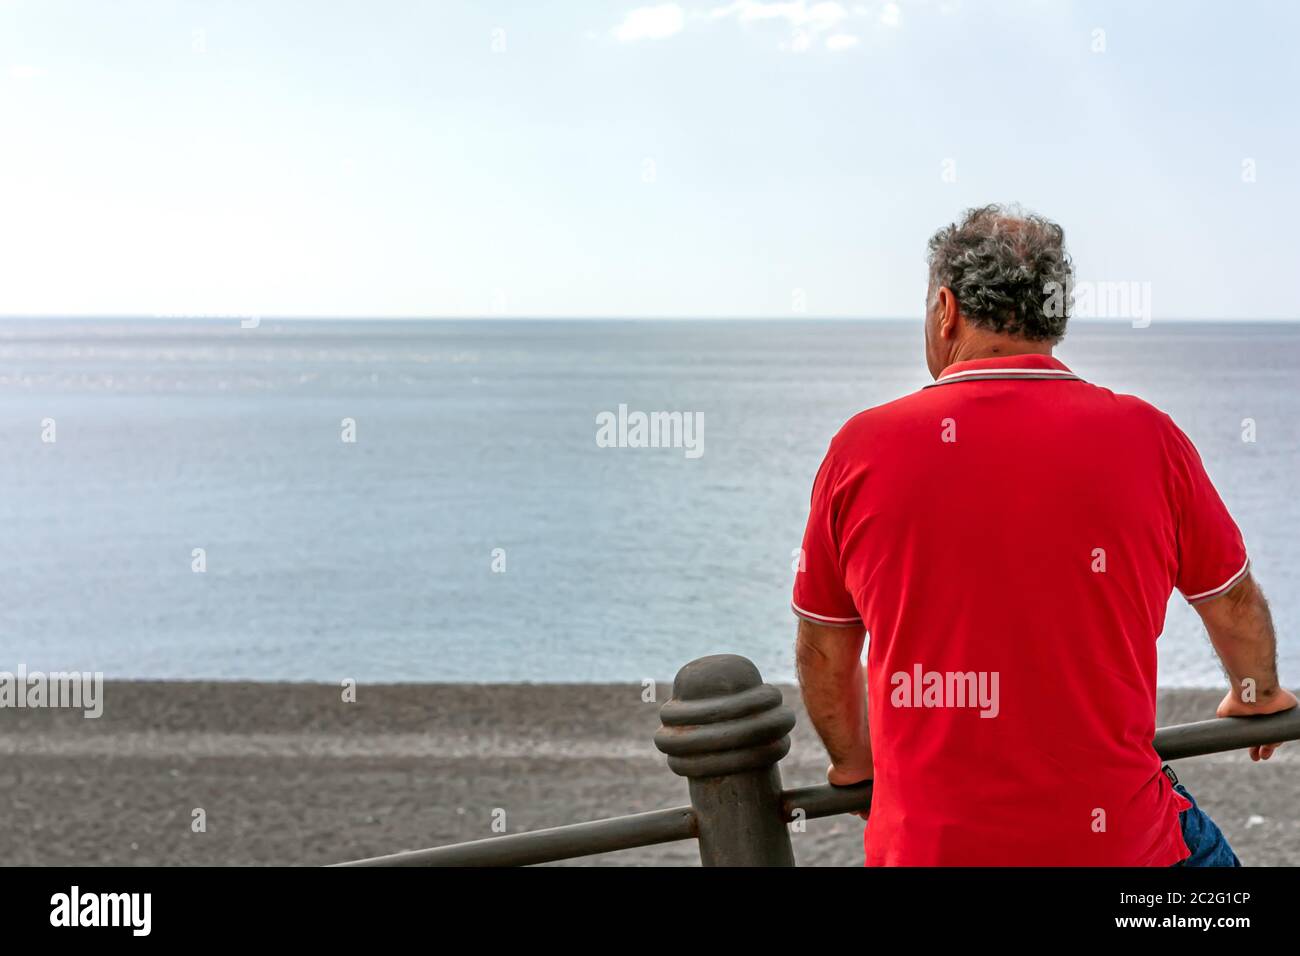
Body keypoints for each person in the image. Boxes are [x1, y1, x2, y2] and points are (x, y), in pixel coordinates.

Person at [792, 204, 1296, 866]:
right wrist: (1255, 690)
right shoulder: (1147, 437)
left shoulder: (861, 449)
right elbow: (1230, 603)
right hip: (1118, 846)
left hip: (929, 849)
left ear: (945, 309)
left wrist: (856, 769)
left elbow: (825, 648)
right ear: (1051, 314)